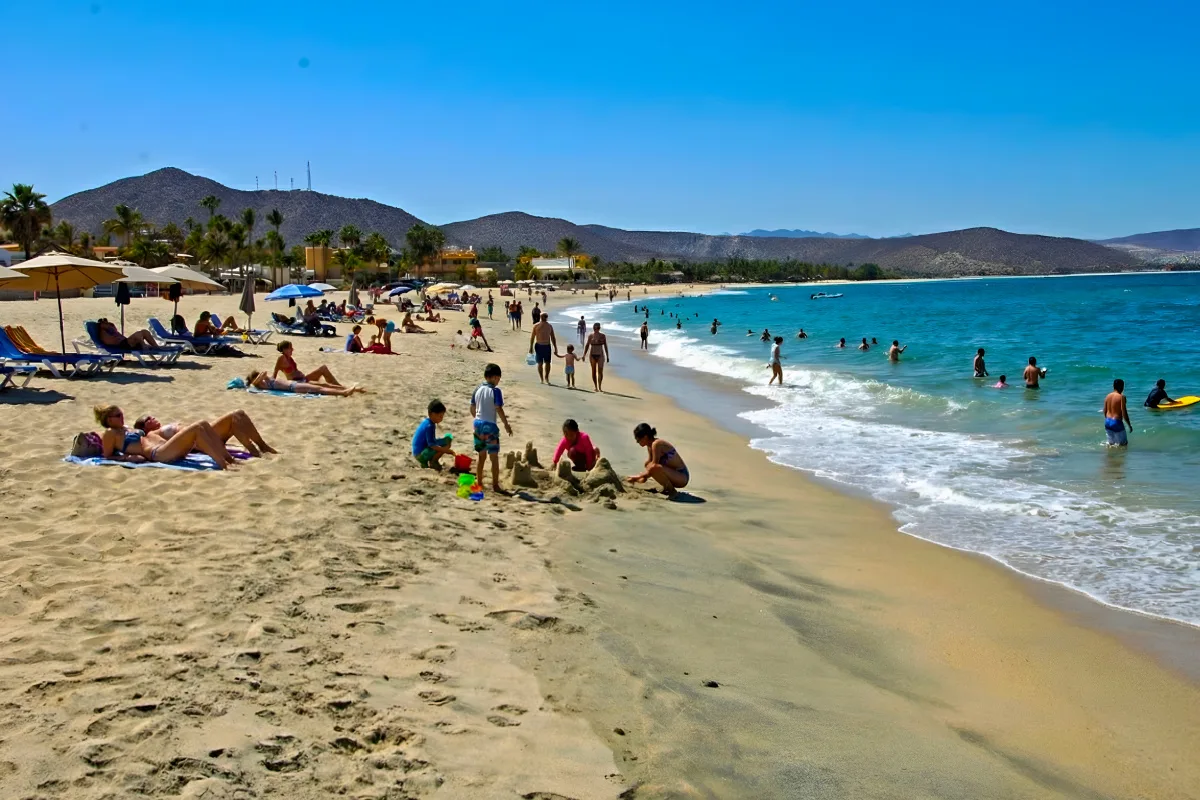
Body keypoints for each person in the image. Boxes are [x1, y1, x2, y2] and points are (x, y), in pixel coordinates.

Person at [95, 404, 234, 468]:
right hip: (158, 454)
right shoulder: (109, 433)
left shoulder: (124, 428)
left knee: (203, 424)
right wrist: (126, 458)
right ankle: (223, 464)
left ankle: (228, 459)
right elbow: (107, 456)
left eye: (122, 414)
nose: (122, 417)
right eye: (118, 415)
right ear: (109, 420)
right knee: (197, 427)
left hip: (166, 448)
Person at [135, 409, 276, 457]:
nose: (153, 418)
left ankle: (260, 447)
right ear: (144, 427)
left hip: (205, 434)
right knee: (236, 415)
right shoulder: (153, 436)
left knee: (237, 419)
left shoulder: (159, 431)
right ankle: (259, 449)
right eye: (148, 419)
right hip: (202, 439)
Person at [471, 363, 513, 492]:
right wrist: (506, 424)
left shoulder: (477, 389)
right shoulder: (495, 391)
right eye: (499, 378)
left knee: (481, 456)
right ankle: (495, 485)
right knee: (493, 457)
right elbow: (498, 408)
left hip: (477, 424)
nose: (498, 381)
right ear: (495, 377)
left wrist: (478, 419)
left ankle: (479, 482)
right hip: (490, 426)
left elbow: (472, 408)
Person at [626, 422, 689, 499]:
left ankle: (672, 491)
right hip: (673, 474)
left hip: (682, 476)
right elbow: (650, 464)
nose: (637, 442)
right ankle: (666, 487)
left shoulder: (657, 444)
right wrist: (643, 477)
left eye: (638, 440)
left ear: (645, 437)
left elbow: (654, 466)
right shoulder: (649, 446)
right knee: (648, 464)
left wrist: (638, 477)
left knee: (654, 467)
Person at [273, 340, 343, 385]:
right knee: (323, 378)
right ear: (284, 349)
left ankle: (337, 385)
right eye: (290, 348)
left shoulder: (290, 358)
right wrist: (271, 383)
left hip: (302, 379)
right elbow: (275, 372)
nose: (292, 349)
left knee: (323, 368)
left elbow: (295, 371)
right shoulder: (282, 358)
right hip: (297, 383)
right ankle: (339, 386)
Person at [247, 370, 366, 396]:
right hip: (294, 387)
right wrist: (259, 377)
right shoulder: (260, 385)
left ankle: (351, 389)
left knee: (324, 385)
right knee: (319, 390)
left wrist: (263, 376)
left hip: (295, 384)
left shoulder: (265, 381)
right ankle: (344, 392)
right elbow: (256, 382)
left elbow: (265, 374)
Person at [412, 399, 454, 469]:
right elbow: (432, 445)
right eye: (440, 416)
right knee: (445, 445)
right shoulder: (430, 426)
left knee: (447, 440)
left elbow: (431, 441)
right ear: (433, 414)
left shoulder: (427, 422)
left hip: (420, 450)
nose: (441, 418)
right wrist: (445, 450)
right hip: (420, 454)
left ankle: (432, 460)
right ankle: (433, 462)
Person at [529, 313, 559, 384]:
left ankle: (546, 377)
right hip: (539, 346)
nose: (544, 318)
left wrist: (555, 347)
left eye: (545, 317)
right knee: (540, 363)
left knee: (548, 363)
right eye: (543, 316)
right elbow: (532, 337)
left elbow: (553, 337)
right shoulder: (536, 326)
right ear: (540, 317)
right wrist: (531, 347)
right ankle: (541, 378)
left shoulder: (549, 326)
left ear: (547, 317)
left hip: (547, 346)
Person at [96, 318, 161, 351]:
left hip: (125, 342)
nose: (107, 323)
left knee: (144, 331)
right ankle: (143, 345)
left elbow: (113, 329)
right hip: (121, 345)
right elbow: (110, 342)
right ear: (101, 325)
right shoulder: (103, 333)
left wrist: (110, 326)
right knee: (137, 334)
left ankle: (156, 347)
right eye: (105, 322)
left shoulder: (110, 329)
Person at [1104, 379, 1132, 447]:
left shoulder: (1108, 396)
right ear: (1121, 387)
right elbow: (1124, 413)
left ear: (1113, 386)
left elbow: (1105, 411)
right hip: (1116, 422)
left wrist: (1109, 421)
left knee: (1111, 445)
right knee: (1123, 445)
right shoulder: (1121, 397)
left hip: (1107, 422)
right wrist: (1129, 425)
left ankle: (1110, 457)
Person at [583, 323, 610, 392]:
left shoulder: (603, 336)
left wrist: (607, 356)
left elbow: (605, 346)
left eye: (597, 328)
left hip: (600, 355)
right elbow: (587, 345)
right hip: (592, 355)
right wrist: (584, 355)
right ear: (593, 328)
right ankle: (596, 386)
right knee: (593, 371)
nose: (596, 329)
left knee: (600, 371)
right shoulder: (590, 336)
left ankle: (600, 386)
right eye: (595, 328)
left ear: (599, 328)